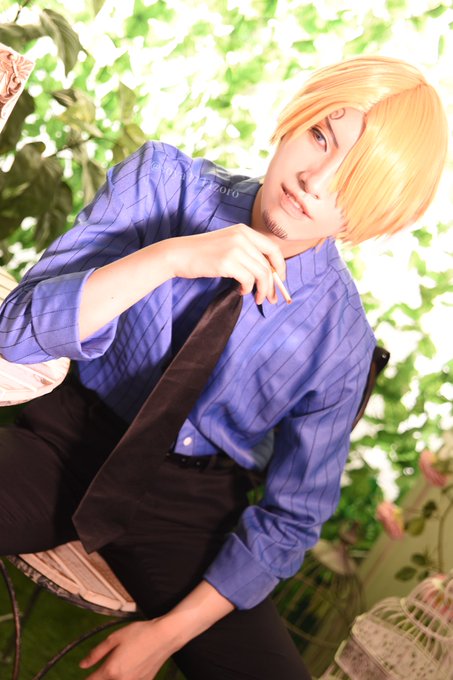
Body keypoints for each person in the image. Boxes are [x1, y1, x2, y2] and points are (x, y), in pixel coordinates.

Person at [0, 55, 448, 679]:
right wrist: (170, 258)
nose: (315, 179)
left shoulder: (340, 340)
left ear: (377, 212)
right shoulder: (161, 184)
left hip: (189, 510)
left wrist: (163, 637)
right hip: (68, 439)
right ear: (296, 118)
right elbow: (16, 333)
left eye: (353, 179)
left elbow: (293, 515)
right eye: (321, 136)